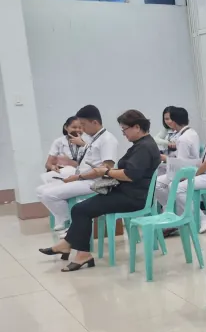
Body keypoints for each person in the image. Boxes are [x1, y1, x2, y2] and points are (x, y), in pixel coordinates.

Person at [39, 110, 162, 271]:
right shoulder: (142, 144)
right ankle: (69, 245)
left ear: (137, 127)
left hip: (134, 197)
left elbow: (130, 175)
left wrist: (105, 172)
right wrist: (107, 172)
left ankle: (81, 253)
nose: (123, 134)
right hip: (129, 193)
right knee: (80, 208)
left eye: (124, 129)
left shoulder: (144, 148)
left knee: (81, 210)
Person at [37, 105, 120, 232]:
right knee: (40, 190)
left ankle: (71, 224)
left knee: (49, 194)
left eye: (83, 125)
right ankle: (69, 220)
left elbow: (106, 169)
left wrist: (78, 177)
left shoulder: (107, 140)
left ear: (95, 122)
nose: (82, 129)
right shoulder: (92, 139)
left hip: (95, 182)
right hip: (82, 178)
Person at [41, 116, 90, 184]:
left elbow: (90, 163)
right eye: (74, 127)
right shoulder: (59, 142)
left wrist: (82, 144)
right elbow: (48, 164)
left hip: (81, 175)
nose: (77, 130)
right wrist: (52, 167)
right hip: (63, 174)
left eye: (80, 128)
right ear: (66, 127)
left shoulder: (87, 142)